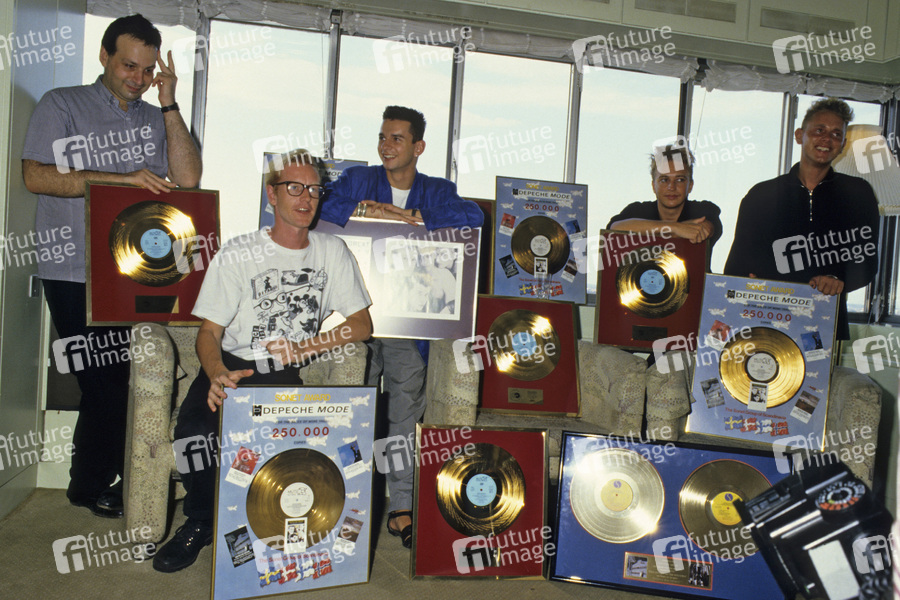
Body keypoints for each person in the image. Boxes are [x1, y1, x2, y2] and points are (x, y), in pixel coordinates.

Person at [153, 149, 372, 573]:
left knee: (282, 447)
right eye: (294, 187)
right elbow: (208, 333)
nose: (306, 198)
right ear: (272, 195)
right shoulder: (238, 252)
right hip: (233, 364)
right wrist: (216, 374)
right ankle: (199, 522)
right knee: (195, 433)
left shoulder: (332, 251)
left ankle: (273, 531)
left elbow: (361, 325)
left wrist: (307, 348)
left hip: (284, 373)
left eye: (314, 189)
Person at [21, 14, 202, 518]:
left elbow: (188, 178)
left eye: (147, 69)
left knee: (127, 377)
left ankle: (99, 482)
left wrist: (169, 104)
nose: (138, 78)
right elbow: (36, 176)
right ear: (104, 56)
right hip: (72, 268)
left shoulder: (155, 116)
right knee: (102, 379)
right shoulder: (61, 103)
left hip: (135, 271)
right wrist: (121, 180)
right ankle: (93, 483)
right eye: (128, 66)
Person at [318, 106, 483, 548]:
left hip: (404, 323)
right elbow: (321, 205)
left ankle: (402, 506)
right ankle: (339, 498)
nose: (386, 146)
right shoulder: (359, 179)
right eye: (382, 137)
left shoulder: (437, 190)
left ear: (418, 147)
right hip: (351, 319)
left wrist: (415, 217)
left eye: (396, 138)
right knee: (352, 404)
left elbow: (473, 216)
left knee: (404, 410)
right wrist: (368, 208)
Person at [724, 98, 879, 339]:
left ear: (842, 145)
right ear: (799, 135)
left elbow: (866, 262)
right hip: (764, 321)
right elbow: (736, 267)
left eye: (836, 134)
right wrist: (747, 284)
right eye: (819, 130)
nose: (826, 139)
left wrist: (838, 280)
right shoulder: (761, 195)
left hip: (824, 323)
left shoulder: (858, 193)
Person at [607, 144, 722, 264]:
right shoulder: (637, 211)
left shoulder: (704, 210)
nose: (671, 187)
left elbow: (706, 229)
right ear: (653, 186)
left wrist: (647, 231)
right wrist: (676, 228)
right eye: (664, 180)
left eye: (680, 180)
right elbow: (614, 229)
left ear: (690, 186)